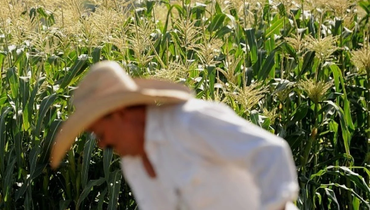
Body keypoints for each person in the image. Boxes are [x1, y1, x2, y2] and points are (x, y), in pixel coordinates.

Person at [50, 61, 299, 210]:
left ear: (120, 114)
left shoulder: (190, 122)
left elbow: (271, 151)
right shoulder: (133, 165)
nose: (102, 144)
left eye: (100, 133)